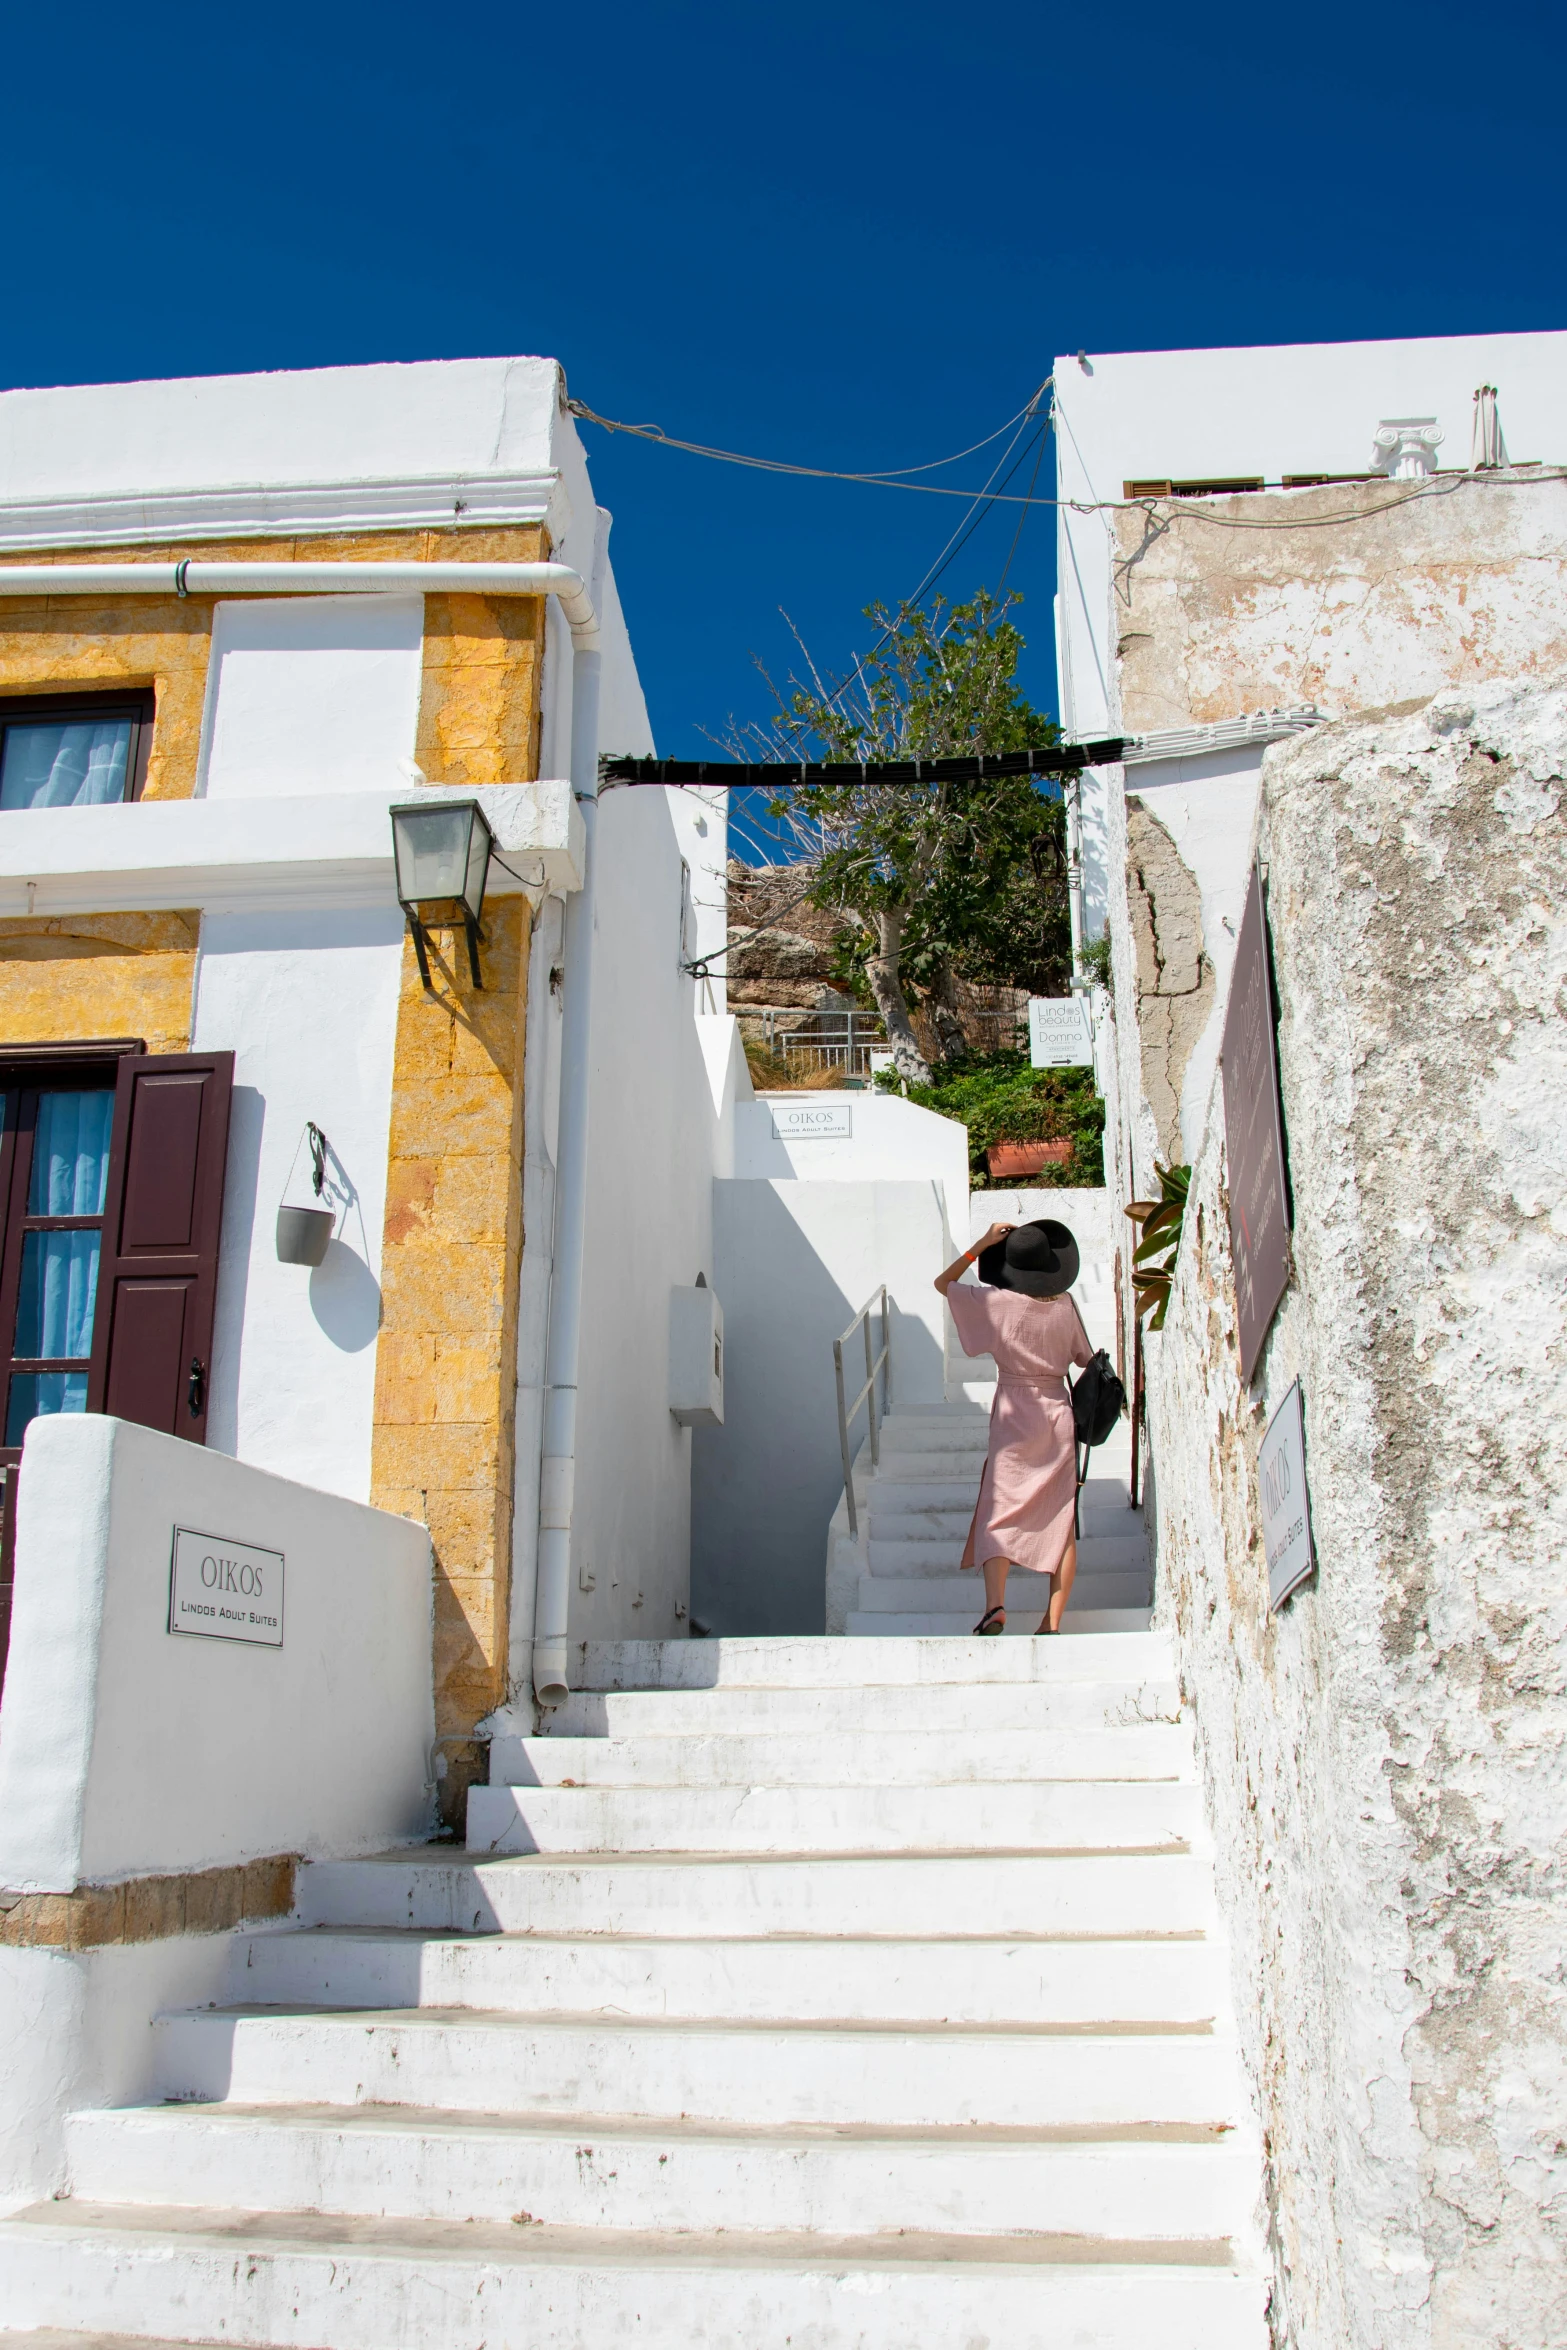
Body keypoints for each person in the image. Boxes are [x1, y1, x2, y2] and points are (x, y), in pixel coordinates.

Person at [934, 1218, 1093, 1635]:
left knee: (998, 1512)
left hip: (1012, 1416)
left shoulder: (998, 1303)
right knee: (1061, 1521)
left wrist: (982, 1244)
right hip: (1056, 1414)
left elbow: (942, 1283)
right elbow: (1084, 1359)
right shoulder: (1066, 1306)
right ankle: (1051, 1623)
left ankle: (995, 1607)